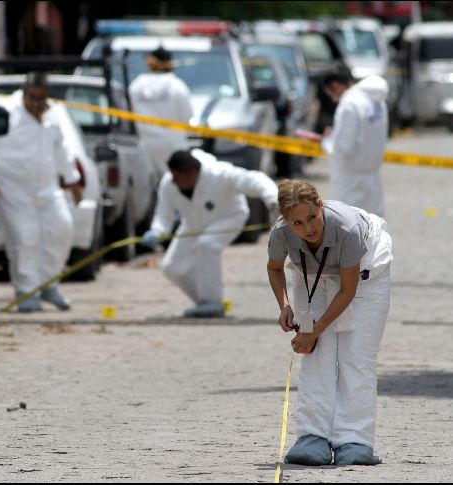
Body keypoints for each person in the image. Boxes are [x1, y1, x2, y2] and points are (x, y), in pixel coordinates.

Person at [266, 180, 393, 466]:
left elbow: (347, 292)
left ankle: (354, 439)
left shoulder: (347, 229)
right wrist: (284, 307)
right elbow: (274, 268)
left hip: (365, 274)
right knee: (316, 354)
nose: (308, 228)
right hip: (311, 274)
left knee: (355, 355)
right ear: (286, 221)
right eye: (297, 222)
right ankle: (313, 436)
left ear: (320, 205)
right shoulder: (282, 233)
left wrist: (315, 330)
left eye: (312, 217)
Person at [0, 72, 83, 313]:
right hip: (11, 189)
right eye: (32, 98)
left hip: (47, 188)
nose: (37, 104)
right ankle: (26, 291)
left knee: (61, 229)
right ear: (24, 94)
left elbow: (62, 150)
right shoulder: (5, 113)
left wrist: (73, 181)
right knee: (25, 239)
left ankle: (48, 284)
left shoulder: (52, 115)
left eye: (41, 99)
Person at [141, 149, 278, 318]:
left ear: (191, 173)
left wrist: (273, 199)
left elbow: (255, 179)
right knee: (172, 268)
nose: (174, 182)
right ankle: (204, 302)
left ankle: (212, 301)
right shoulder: (169, 183)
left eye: (177, 177)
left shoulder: (220, 174)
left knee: (207, 245)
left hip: (230, 217)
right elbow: (164, 215)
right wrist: (157, 231)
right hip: (193, 225)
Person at [321, 70, 389, 217]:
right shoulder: (377, 101)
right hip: (372, 176)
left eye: (331, 94)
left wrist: (327, 141)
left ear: (336, 85)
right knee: (375, 228)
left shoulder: (349, 103)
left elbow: (343, 149)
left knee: (351, 228)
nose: (333, 100)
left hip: (350, 180)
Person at [129, 46, 195, 177]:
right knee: (175, 184)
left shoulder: (136, 86)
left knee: (145, 188)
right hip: (173, 144)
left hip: (145, 144)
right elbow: (188, 115)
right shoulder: (177, 86)